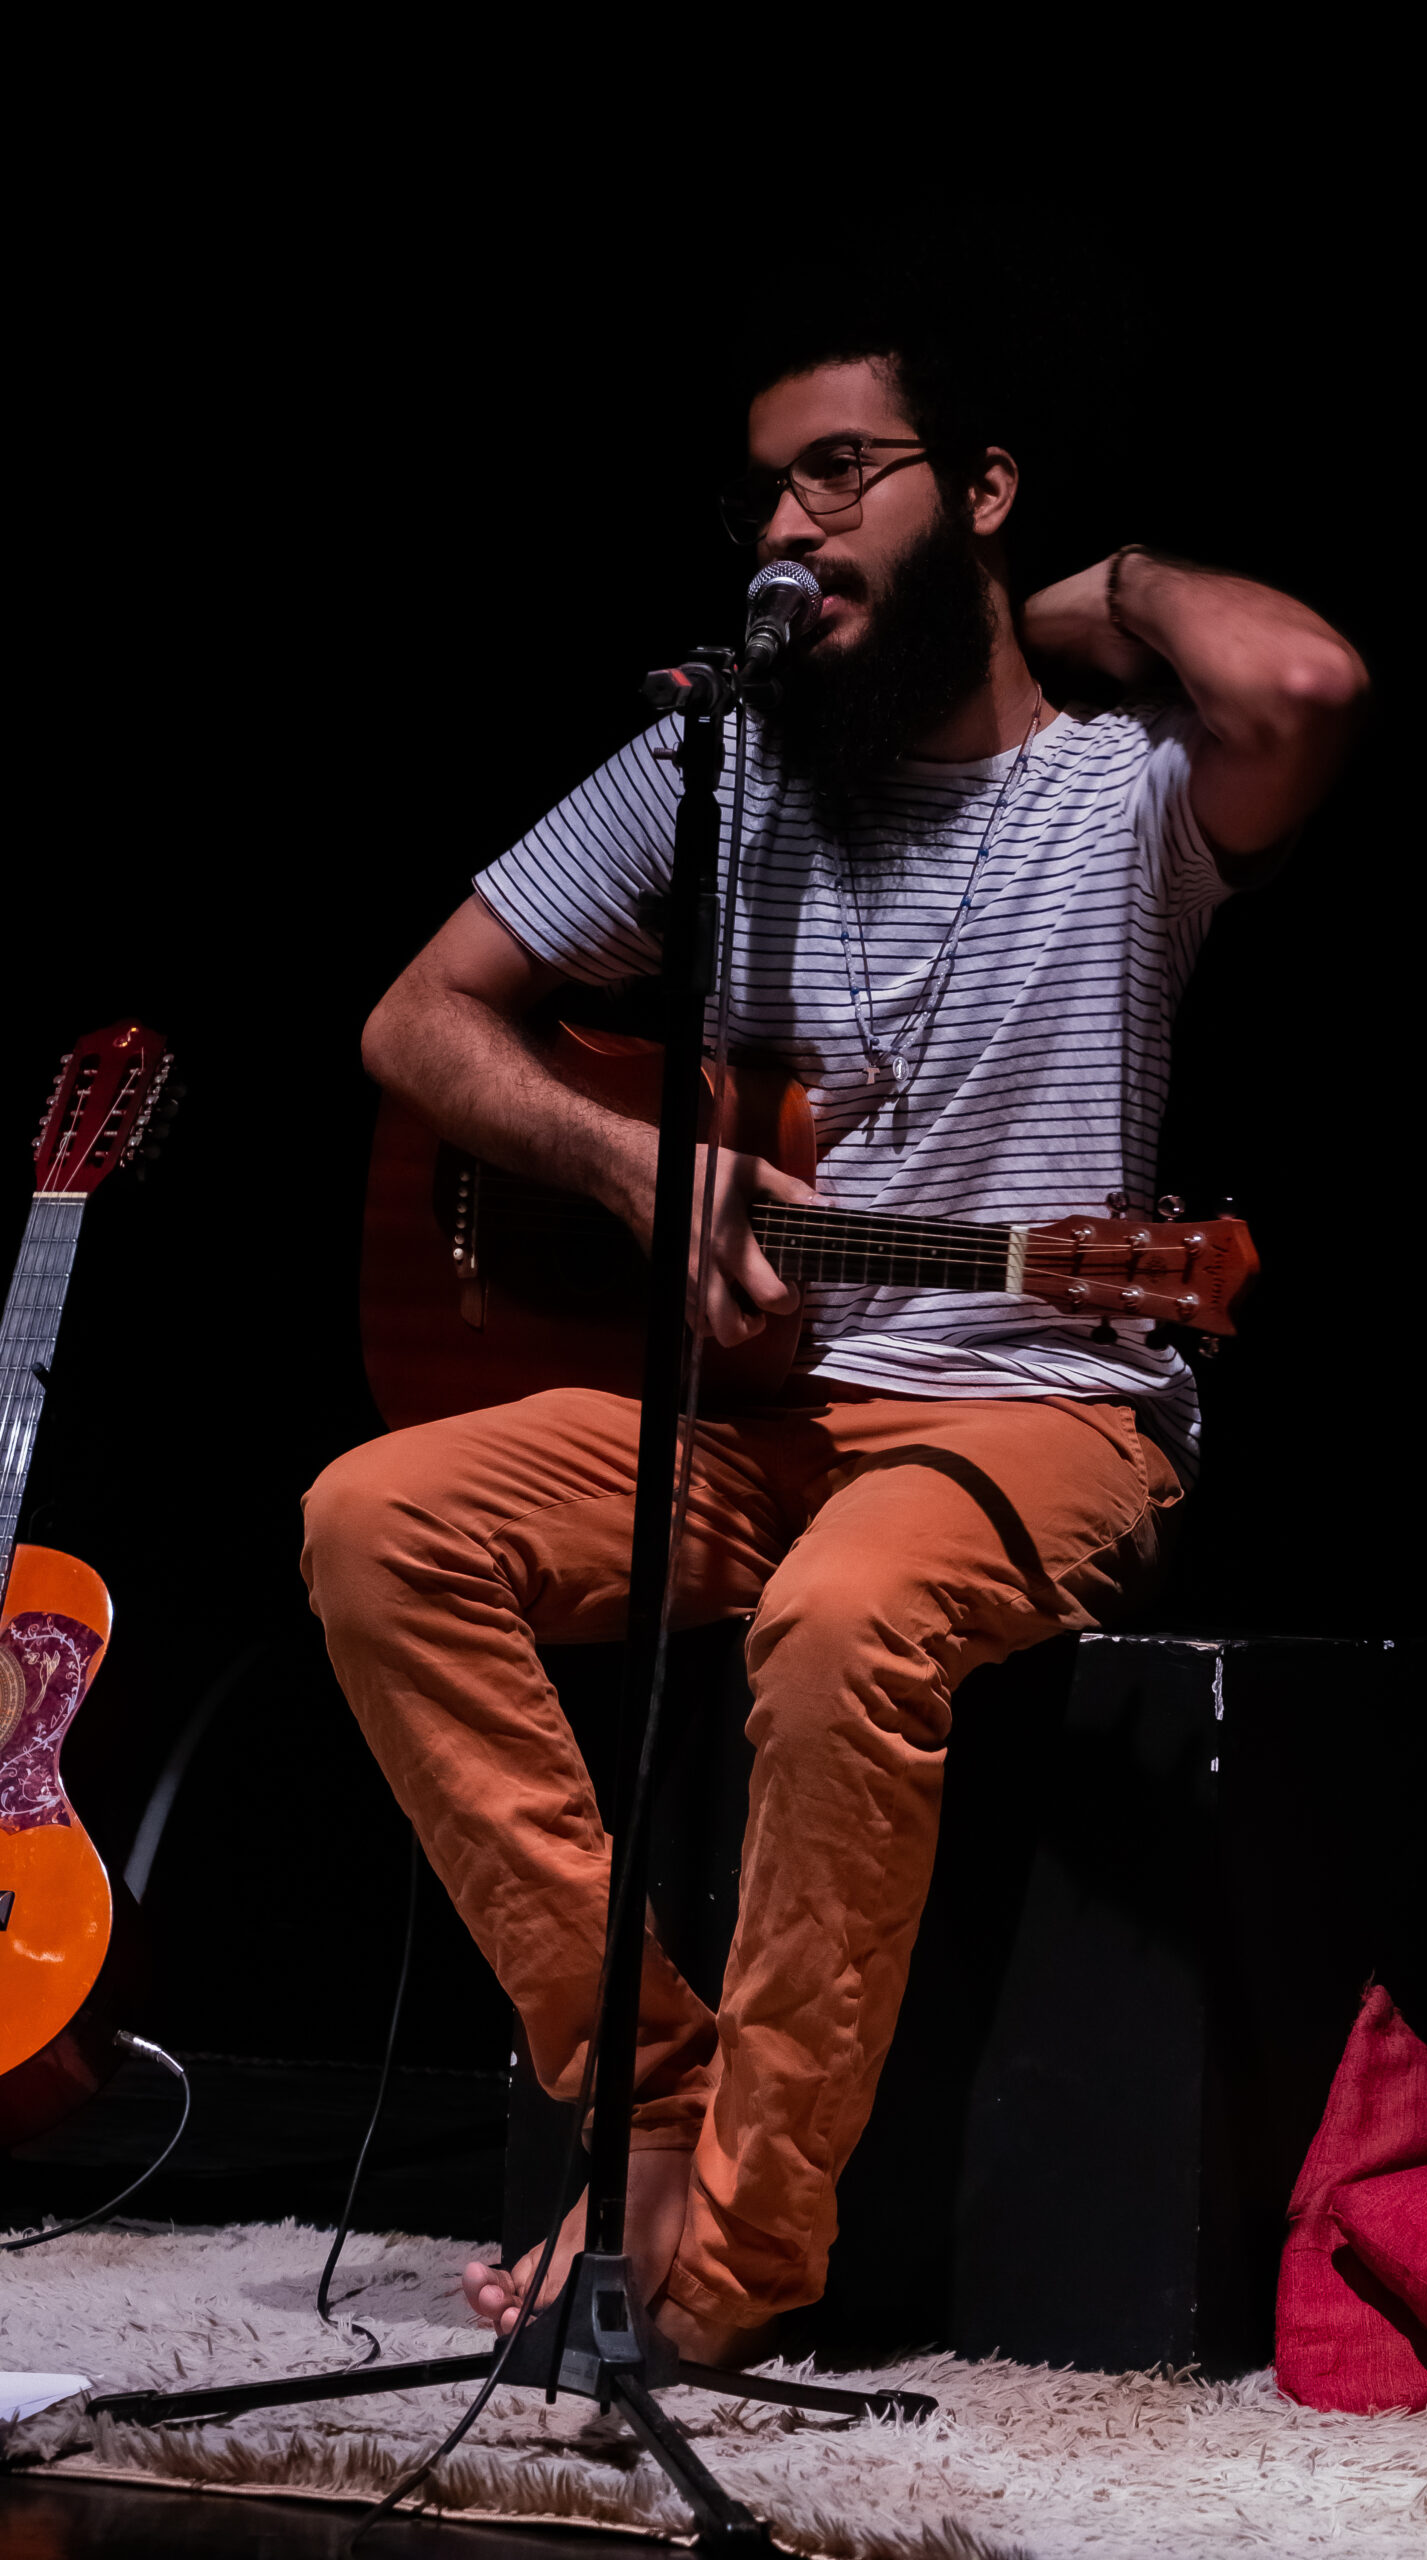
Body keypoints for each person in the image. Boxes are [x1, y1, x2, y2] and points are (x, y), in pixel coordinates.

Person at [300, 333, 1368, 2368]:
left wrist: (1092, 591)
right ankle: (642, 2098)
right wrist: (630, 1162)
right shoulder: (720, 774)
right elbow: (413, 1018)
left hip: (1039, 1408)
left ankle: (726, 2259)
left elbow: (1303, 685)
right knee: (374, 1522)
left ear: (982, 489)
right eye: (767, 493)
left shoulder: (1124, 791)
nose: (789, 525)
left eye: (843, 472)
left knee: (840, 1618)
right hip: (765, 1410)